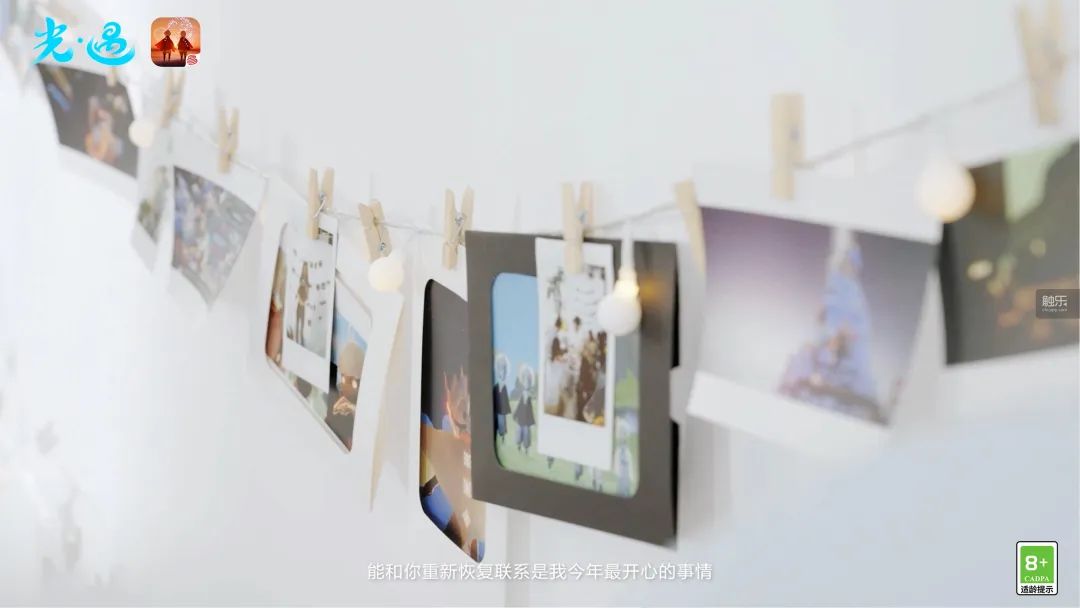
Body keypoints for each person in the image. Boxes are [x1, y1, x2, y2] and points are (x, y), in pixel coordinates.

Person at [326, 341, 364, 449]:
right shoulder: (338, 396)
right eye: (342, 377)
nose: (342, 386)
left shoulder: (363, 402)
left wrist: (352, 409)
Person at [513, 365, 536, 452]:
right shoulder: (522, 395)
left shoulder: (529, 396)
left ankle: (526, 448)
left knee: (526, 433)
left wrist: (532, 421)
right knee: (519, 432)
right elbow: (519, 406)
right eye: (525, 381)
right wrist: (515, 415)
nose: (526, 383)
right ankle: (519, 445)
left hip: (526, 419)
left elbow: (530, 410)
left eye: (528, 381)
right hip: (520, 418)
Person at [493, 354, 511, 443]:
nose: (501, 372)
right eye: (500, 368)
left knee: (501, 423)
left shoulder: (504, 386)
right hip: (495, 409)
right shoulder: (495, 386)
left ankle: (502, 437)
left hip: (501, 411)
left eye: (503, 369)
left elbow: (505, 399)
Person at [294, 262, 311, 346]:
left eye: (305, 267)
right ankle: (296, 340)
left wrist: (303, 300)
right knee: (297, 323)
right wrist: (299, 298)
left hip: (303, 305)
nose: (304, 269)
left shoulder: (307, 282)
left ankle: (301, 341)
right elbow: (297, 292)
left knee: (302, 325)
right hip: (299, 305)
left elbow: (307, 296)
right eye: (303, 267)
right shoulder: (300, 281)